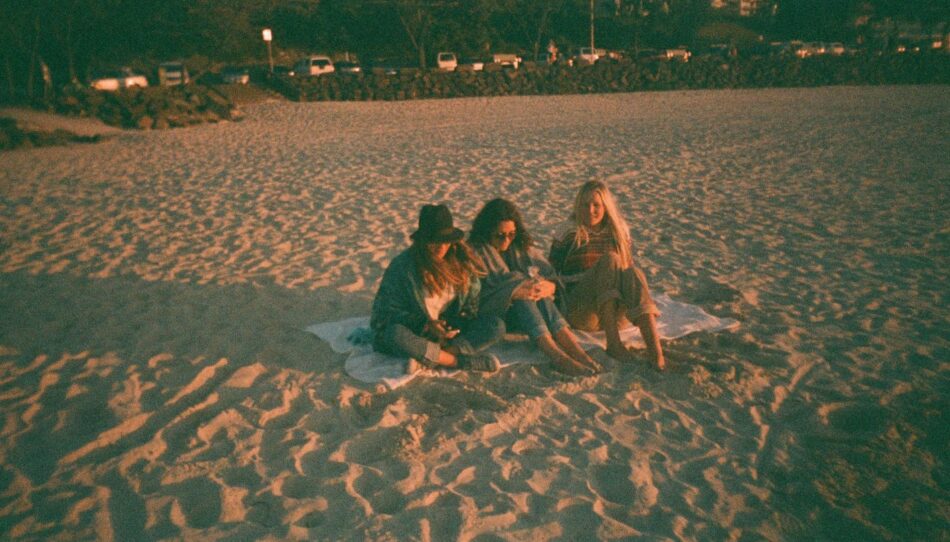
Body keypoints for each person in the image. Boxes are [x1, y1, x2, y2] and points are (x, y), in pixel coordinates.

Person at [469, 198, 602, 376]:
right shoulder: (476, 251)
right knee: (524, 295)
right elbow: (481, 294)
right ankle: (558, 357)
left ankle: (577, 352)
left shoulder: (520, 247)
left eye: (511, 234)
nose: (506, 240)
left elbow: (552, 278)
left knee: (537, 292)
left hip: (523, 314)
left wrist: (547, 287)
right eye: (500, 236)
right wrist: (516, 289)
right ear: (487, 232)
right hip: (494, 312)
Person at [371, 204, 504, 374]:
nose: (440, 246)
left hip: (449, 336)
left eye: (445, 240)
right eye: (434, 241)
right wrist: (424, 325)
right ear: (423, 241)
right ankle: (458, 361)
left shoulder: (463, 264)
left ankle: (432, 358)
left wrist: (452, 325)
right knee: (395, 335)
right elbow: (381, 315)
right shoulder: (403, 267)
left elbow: (470, 308)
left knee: (496, 326)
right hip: (416, 332)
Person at [549, 181, 666, 370]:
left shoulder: (619, 230)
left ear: (606, 206)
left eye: (596, 205)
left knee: (634, 271)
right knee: (610, 259)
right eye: (585, 205)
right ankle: (613, 344)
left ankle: (656, 352)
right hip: (582, 311)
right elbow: (551, 273)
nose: (590, 210)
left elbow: (627, 271)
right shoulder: (569, 230)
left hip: (617, 315)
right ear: (578, 206)